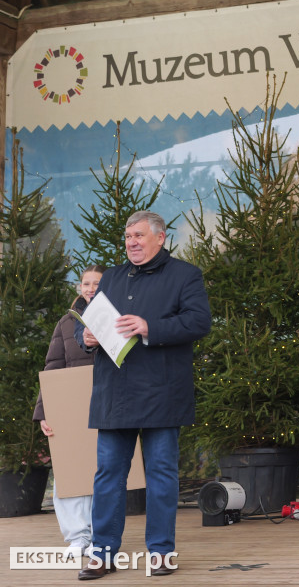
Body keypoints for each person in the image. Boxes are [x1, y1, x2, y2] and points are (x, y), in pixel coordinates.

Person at [75, 211, 211, 579]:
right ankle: (102, 554)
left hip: (162, 394)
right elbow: (88, 320)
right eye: (127, 237)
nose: (131, 242)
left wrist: (150, 327)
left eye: (138, 235)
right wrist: (84, 338)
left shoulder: (186, 275)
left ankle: (161, 552)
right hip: (114, 394)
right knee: (107, 476)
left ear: (160, 238)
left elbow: (200, 322)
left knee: (162, 475)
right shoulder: (113, 277)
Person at [33, 266, 105, 555]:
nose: (89, 288)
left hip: (105, 401)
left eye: (96, 283)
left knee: (100, 470)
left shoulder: (116, 319)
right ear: (79, 288)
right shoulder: (66, 323)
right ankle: (77, 538)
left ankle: (99, 537)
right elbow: (52, 366)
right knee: (68, 470)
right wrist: (45, 412)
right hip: (70, 406)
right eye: (85, 283)